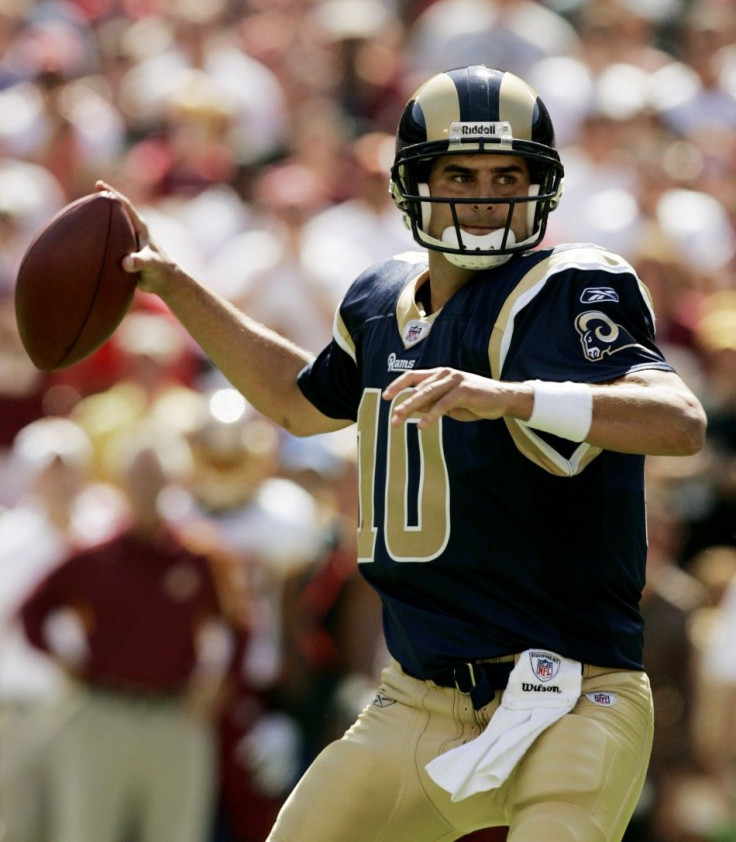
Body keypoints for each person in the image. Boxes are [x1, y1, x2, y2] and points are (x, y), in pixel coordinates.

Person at [101, 64, 707, 842]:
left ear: (541, 184)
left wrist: (511, 396)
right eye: (460, 172)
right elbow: (297, 400)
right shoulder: (378, 302)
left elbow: (678, 420)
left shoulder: (572, 287)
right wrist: (176, 285)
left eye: (506, 173)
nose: (485, 195)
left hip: (573, 694)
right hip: (417, 700)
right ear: (412, 183)